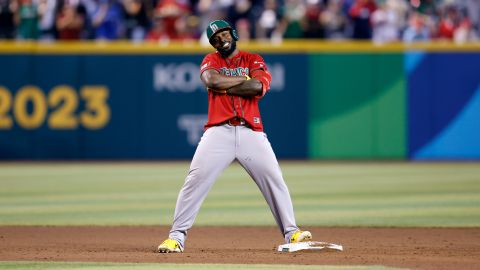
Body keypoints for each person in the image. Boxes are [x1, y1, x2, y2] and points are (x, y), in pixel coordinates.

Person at [157, 19, 312, 253]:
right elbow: (211, 80)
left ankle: (292, 233)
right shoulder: (211, 60)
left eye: (224, 33)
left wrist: (226, 86)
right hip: (218, 132)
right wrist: (244, 81)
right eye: (215, 38)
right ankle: (176, 237)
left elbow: (258, 87)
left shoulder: (253, 59)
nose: (221, 39)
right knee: (194, 182)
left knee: (274, 180)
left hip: (251, 132)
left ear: (234, 33)